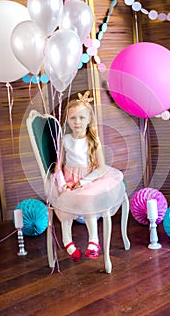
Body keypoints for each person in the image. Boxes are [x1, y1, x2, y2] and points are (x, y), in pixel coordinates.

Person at [49, 91, 125, 262]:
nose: (77, 122)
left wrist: (82, 182)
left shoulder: (93, 141)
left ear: (89, 119)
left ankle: (94, 241)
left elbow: (102, 168)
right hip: (68, 181)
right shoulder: (65, 139)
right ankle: (67, 242)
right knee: (64, 207)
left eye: (81, 118)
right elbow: (58, 166)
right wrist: (63, 185)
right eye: (73, 118)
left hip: (89, 180)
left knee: (88, 202)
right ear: (67, 120)